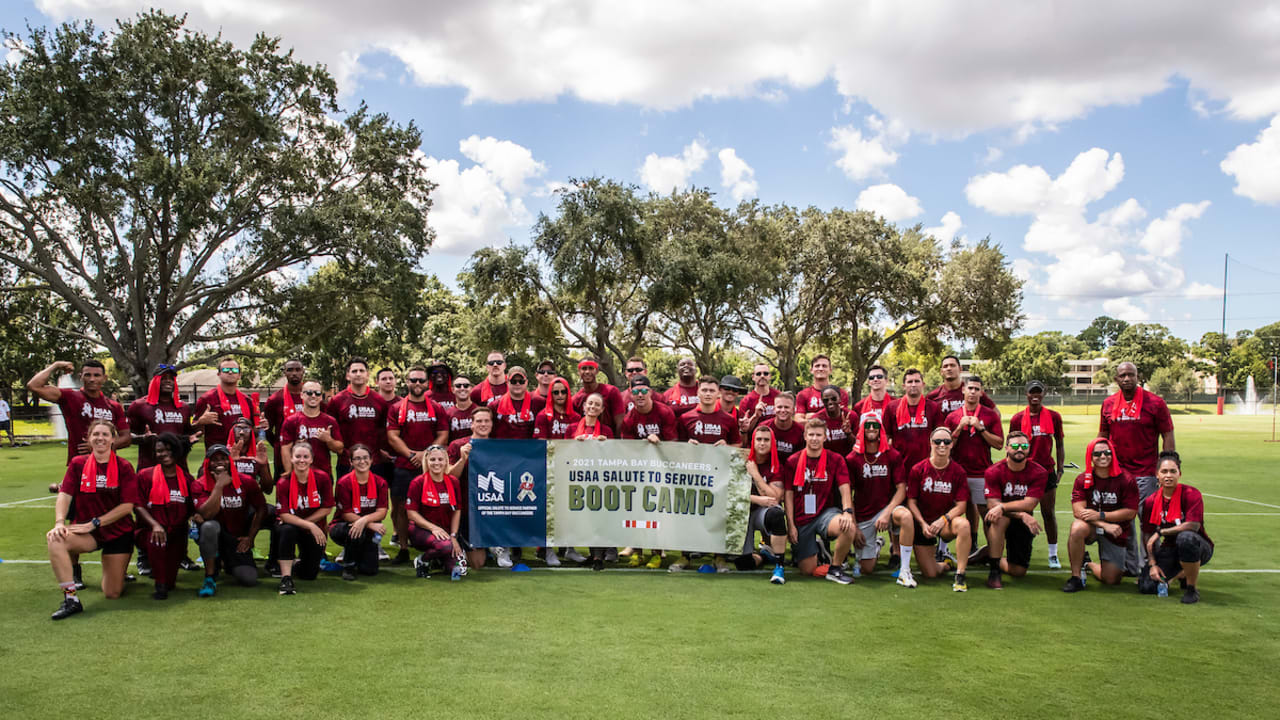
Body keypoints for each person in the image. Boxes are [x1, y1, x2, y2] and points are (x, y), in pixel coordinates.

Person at [46, 419, 138, 619]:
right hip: (88, 533)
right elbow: (65, 494)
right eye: (96, 434)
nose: (100, 438)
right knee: (55, 538)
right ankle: (71, 599)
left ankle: (118, 572)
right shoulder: (78, 464)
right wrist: (59, 522)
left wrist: (95, 522)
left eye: (105, 434)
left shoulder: (124, 466)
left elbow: (127, 506)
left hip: (118, 531)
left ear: (113, 439)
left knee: (112, 593)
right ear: (88, 439)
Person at [1099, 361, 1175, 576]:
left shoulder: (1155, 403)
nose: (1126, 379)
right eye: (1122, 375)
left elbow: (1167, 434)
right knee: (1124, 522)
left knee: (1149, 523)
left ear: (1137, 376)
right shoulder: (1108, 404)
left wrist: (1166, 467)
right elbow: (1103, 436)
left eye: (1130, 375)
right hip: (1118, 474)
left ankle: (1152, 565)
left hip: (1146, 473)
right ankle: (1131, 567)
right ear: (1116, 379)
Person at [671, 376, 741, 573]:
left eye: (712, 390)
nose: (708, 394)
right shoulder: (685, 418)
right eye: (705, 390)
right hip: (692, 476)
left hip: (719, 477)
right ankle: (685, 556)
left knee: (717, 516)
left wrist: (727, 446)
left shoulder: (728, 420)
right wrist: (687, 447)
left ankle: (719, 557)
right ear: (698, 393)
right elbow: (676, 447)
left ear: (718, 393)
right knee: (689, 515)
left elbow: (737, 444)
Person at [783, 419, 859, 584]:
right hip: (802, 517)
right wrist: (791, 524)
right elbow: (788, 495)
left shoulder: (836, 459)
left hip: (825, 513)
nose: (814, 438)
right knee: (807, 570)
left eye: (819, 435)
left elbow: (845, 488)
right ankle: (820, 551)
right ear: (805, 436)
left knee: (848, 526)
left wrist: (847, 512)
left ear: (825, 437)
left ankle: (835, 568)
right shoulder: (792, 461)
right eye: (811, 435)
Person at [386, 365, 448, 565]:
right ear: (407, 382)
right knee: (402, 508)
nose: (418, 384)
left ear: (426, 382)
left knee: (435, 506)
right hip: (405, 465)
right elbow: (392, 436)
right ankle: (403, 548)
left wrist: (426, 455)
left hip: (431, 466)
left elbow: (443, 434)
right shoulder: (397, 408)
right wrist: (412, 454)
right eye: (414, 380)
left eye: (421, 380)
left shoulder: (436, 407)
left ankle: (436, 546)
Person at [846, 417, 915, 586]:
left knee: (905, 516)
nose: (871, 429)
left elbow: (901, 488)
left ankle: (905, 570)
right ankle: (876, 546)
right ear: (861, 431)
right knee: (867, 569)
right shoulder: (853, 458)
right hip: (864, 513)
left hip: (888, 508)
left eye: (875, 426)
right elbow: (848, 494)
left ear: (881, 430)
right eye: (867, 426)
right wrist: (854, 527)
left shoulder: (892, 455)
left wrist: (886, 513)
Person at [617, 375, 677, 569]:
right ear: (631, 395)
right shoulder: (629, 418)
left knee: (656, 511)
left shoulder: (664, 412)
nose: (640, 395)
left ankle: (657, 553)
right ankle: (639, 552)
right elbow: (627, 447)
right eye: (635, 391)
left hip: (661, 469)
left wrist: (659, 442)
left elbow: (673, 445)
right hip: (639, 471)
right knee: (638, 511)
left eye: (644, 390)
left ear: (650, 392)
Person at [1063, 437, 1139, 592]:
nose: (1103, 457)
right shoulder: (1082, 479)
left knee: (1112, 579)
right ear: (1090, 457)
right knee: (1077, 528)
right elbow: (1078, 511)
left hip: (1115, 530)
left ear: (1113, 454)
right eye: (1097, 454)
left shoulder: (1126, 479)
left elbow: (1130, 512)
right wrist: (1103, 523)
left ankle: (1088, 564)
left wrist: (1101, 516)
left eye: (1107, 452)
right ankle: (1076, 577)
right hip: (1092, 527)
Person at [192, 443, 266, 595]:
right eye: (214, 459)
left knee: (249, 579)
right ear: (208, 463)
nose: (219, 462)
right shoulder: (199, 485)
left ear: (229, 460)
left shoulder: (246, 482)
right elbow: (206, 515)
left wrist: (250, 538)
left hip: (235, 539)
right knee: (209, 526)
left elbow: (261, 508)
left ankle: (226, 562)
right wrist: (219, 485)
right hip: (214, 536)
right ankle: (210, 577)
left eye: (223, 458)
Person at [905, 427, 973, 591]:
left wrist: (943, 520)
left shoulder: (958, 471)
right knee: (931, 573)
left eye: (946, 442)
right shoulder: (918, 469)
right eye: (937, 441)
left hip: (945, 523)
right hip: (924, 524)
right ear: (930, 443)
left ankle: (960, 575)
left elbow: (961, 505)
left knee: (964, 525)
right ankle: (945, 564)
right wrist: (922, 524)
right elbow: (911, 501)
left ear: (951, 445)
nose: (942, 445)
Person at [944, 375, 1003, 561]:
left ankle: (993, 552)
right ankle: (950, 548)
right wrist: (958, 429)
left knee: (986, 512)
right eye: (970, 388)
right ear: (963, 390)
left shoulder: (989, 415)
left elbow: (1000, 444)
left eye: (977, 389)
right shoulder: (953, 416)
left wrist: (981, 429)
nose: (972, 392)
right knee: (953, 510)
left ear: (981, 392)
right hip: (957, 472)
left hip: (981, 472)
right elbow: (944, 445)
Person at [1141, 451, 1213, 604]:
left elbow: (1193, 526)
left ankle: (1191, 588)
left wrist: (1161, 531)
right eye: (1164, 471)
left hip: (1198, 546)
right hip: (1170, 549)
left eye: (1173, 471)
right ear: (1157, 475)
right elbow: (1147, 534)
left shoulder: (1191, 494)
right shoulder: (1150, 502)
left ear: (1179, 474)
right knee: (1146, 586)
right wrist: (1153, 564)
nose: (1168, 475)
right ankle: (1181, 574)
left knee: (1185, 538)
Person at [28, 359, 130, 466]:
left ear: (104, 378)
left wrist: (101, 445)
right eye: (87, 375)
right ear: (81, 376)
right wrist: (55, 365)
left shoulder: (114, 406)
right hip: (79, 465)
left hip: (107, 464)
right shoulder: (70, 397)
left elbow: (126, 438)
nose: (92, 379)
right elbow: (34, 386)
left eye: (96, 375)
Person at [1007, 380, 1065, 568]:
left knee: (1048, 513)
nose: (1035, 395)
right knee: (1024, 513)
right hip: (1024, 472)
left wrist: (1061, 468)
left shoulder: (1054, 416)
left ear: (1044, 393)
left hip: (1046, 471)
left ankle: (1053, 553)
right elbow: (1010, 446)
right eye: (1032, 392)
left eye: (1039, 392)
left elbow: (1060, 444)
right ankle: (1023, 552)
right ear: (1026, 394)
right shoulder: (1017, 419)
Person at [981, 431, 1047, 589]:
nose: (1019, 449)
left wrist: (1004, 507)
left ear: (1029, 449)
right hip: (1002, 517)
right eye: (1015, 446)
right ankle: (994, 571)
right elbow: (992, 505)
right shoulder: (993, 471)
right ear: (1006, 448)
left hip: (1022, 521)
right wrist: (1019, 513)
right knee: (999, 518)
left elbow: (1029, 504)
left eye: (1024, 446)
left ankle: (988, 555)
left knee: (1018, 571)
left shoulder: (1039, 472)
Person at [133, 433, 196, 599]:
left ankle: (163, 576)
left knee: (171, 583)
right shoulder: (145, 476)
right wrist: (154, 525)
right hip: (151, 530)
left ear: (177, 451)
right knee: (157, 540)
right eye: (160, 451)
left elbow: (192, 508)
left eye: (169, 450)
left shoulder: (187, 479)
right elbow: (138, 505)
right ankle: (159, 584)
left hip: (177, 532)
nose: (164, 454)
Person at [274, 442, 334, 595]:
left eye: (305, 457)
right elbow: (284, 515)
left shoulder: (322, 478)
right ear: (292, 459)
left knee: (309, 575)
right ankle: (286, 578)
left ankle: (296, 564)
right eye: (298, 456)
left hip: (311, 528)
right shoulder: (283, 482)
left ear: (312, 459)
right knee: (287, 529)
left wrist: (309, 525)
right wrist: (310, 525)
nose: (302, 460)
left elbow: (327, 507)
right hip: (293, 525)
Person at [446, 406, 495, 571]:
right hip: (465, 509)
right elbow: (450, 478)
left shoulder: (499, 447)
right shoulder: (458, 445)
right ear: (471, 425)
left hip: (490, 508)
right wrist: (462, 459)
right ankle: (453, 546)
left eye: (486, 421)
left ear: (492, 424)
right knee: (474, 564)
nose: (483, 424)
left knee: (479, 562)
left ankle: (497, 546)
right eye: (479, 421)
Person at [331, 444, 389, 581]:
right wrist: (367, 523)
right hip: (343, 527)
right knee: (357, 530)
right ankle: (348, 566)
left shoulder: (380, 482)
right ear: (351, 462)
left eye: (365, 458)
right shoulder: (343, 483)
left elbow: (382, 512)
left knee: (370, 570)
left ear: (371, 460)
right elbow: (346, 514)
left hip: (367, 529)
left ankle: (356, 553)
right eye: (357, 458)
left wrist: (364, 520)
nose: (362, 461)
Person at [406, 445, 465, 581]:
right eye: (432, 459)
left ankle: (438, 559)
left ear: (446, 461)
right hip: (421, 530)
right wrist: (433, 528)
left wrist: (454, 536)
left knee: (456, 571)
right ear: (426, 461)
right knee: (444, 546)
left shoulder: (453, 482)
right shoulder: (418, 482)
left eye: (440, 459)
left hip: (445, 533)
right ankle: (423, 560)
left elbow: (457, 511)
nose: (436, 463)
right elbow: (411, 514)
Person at [325, 357, 390, 479]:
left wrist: (382, 450)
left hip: (374, 462)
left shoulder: (379, 400)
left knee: (375, 497)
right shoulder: (337, 401)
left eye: (361, 371)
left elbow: (384, 430)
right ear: (348, 376)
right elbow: (332, 431)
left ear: (367, 375)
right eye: (354, 371)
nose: (358, 374)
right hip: (347, 462)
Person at [739, 424, 787, 584]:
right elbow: (730, 492)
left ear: (772, 443)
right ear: (752, 441)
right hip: (742, 512)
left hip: (761, 513)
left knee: (777, 513)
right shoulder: (740, 458)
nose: (762, 443)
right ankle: (763, 556)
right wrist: (757, 499)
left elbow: (775, 498)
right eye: (758, 439)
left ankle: (779, 565)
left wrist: (755, 474)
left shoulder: (776, 465)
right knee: (743, 564)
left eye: (766, 440)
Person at [126, 364, 195, 470]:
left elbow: (188, 434)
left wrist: (197, 428)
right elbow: (126, 435)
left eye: (171, 379)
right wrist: (143, 438)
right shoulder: (139, 406)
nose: (168, 381)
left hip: (178, 468)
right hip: (149, 468)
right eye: (163, 378)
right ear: (154, 381)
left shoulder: (183, 408)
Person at [193, 357, 266, 452]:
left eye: (234, 370)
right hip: (218, 456)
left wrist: (261, 426)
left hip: (242, 456)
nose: (230, 372)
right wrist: (201, 422)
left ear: (239, 375)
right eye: (226, 370)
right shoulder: (207, 399)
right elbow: (193, 432)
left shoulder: (247, 401)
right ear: (219, 374)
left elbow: (254, 432)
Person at [280, 380, 344, 478]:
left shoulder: (330, 421)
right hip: (300, 476)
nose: (313, 396)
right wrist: (290, 472)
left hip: (324, 476)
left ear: (321, 397)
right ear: (302, 395)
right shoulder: (291, 421)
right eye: (309, 393)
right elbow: (285, 449)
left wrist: (329, 440)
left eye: (317, 393)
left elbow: (340, 449)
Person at [885, 368, 945, 473]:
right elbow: (886, 436)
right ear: (904, 386)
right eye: (909, 382)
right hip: (899, 467)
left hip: (927, 467)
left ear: (923, 384)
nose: (913, 384)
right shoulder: (892, 407)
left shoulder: (933, 407)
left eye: (917, 381)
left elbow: (940, 437)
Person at [264, 358, 306, 475]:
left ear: (303, 372)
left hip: (309, 456)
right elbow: (268, 430)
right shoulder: (275, 399)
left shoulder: (312, 396)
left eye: (298, 370)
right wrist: (280, 445)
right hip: (283, 457)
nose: (294, 373)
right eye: (290, 370)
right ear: (284, 372)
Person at [927, 355, 997, 415]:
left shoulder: (973, 391)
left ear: (960, 369)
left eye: (952, 365)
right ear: (941, 372)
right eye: (945, 366)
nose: (949, 368)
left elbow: (996, 413)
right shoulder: (933, 397)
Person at [490, 366, 546, 438]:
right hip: (504, 448)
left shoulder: (539, 402)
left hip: (530, 448)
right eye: (513, 381)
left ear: (526, 382)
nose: (517, 384)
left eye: (521, 381)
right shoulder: (495, 406)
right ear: (507, 382)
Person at [572, 358, 625, 432]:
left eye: (591, 368)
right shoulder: (575, 399)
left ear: (596, 371)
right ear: (579, 372)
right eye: (584, 368)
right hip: (585, 439)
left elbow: (620, 421)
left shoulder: (611, 391)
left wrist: (617, 441)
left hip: (608, 438)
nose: (587, 372)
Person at [795, 355, 849, 420]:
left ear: (830, 370)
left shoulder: (841, 393)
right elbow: (799, 420)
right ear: (811, 370)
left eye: (824, 366)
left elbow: (841, 418)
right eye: (817, 366)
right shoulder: (803, 394)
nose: (820, 369)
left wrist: (812, 416)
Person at [757, 392, 804, 458]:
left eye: (786, 407)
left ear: (793, 410)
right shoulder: (763, 427)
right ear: (774, 409)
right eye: (779, 407)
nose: (783, 410)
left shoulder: (801, 431)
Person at [738, 362, 781, 433]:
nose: (762, 376)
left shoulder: (779, 396)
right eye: (758, 374)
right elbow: (745, 431)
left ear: (770, 376)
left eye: (765, 373)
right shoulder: (746, 400)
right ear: (753, 377)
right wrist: (756, 416)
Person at [813, 385, 853, 456]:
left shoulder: (851, 416)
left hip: (848, 459)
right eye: (826, 400)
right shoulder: (816, 419)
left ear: (840, 399)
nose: (830, 402)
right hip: (826, 459)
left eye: (833, 399)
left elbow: (857, 445)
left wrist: (848, 433)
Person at [446, 375, 477, 442]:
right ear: (453, 389)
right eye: (458, 386)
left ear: (471, 389)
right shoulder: (447, 414)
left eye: (466, 385)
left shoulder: (479, 412)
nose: (462, 388)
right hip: (454, 451)